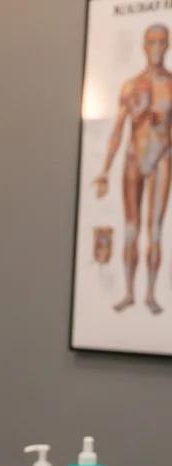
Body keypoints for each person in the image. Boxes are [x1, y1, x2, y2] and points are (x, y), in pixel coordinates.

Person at [94, 23, 172, 315]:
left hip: (163, 157)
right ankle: (129, 292)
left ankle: (150, 294)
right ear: (143, 46)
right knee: (130, 231)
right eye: (152, 42)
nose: (157, 48)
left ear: (168, 46)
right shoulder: (131, 85)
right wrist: (103, 169)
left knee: (155, 232)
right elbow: (117, 129)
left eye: (162, 42)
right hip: (133, 159)